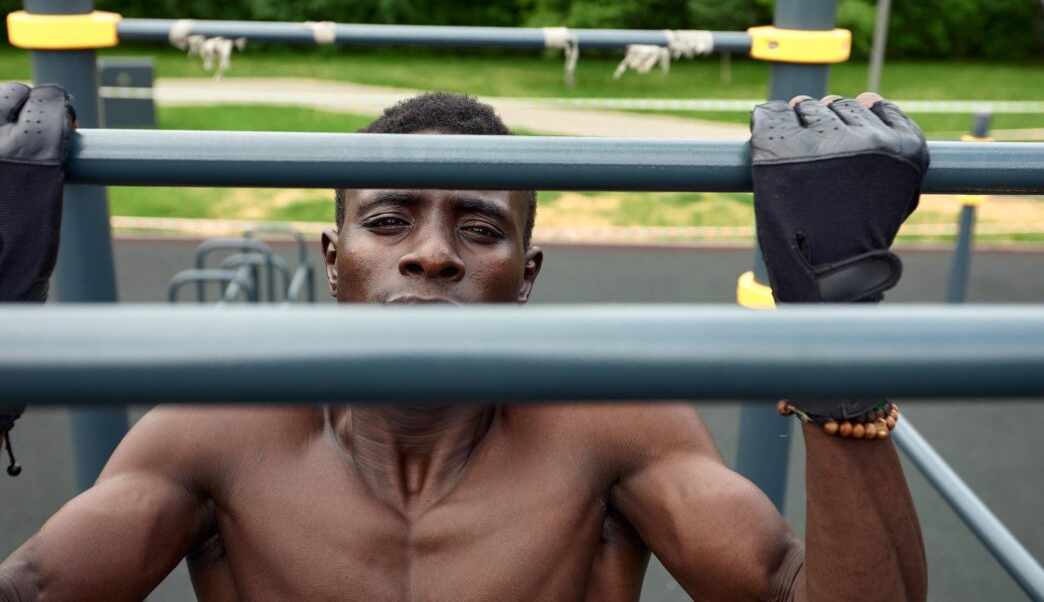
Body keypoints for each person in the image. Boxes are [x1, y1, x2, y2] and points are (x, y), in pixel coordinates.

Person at [0, 84, 928, 601]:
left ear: (526, 274)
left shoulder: (608, 423)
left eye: (480, 230)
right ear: (334, 259)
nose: (433, 256)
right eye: (390, 222)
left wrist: (836, 338)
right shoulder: (219, 430)